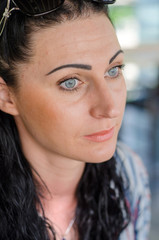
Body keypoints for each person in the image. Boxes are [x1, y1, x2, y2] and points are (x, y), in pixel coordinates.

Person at [0, 0, 151, 239]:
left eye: (113, 70)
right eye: (70, 82)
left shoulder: (128, 176)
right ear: (6, 95)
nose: (110, 108)